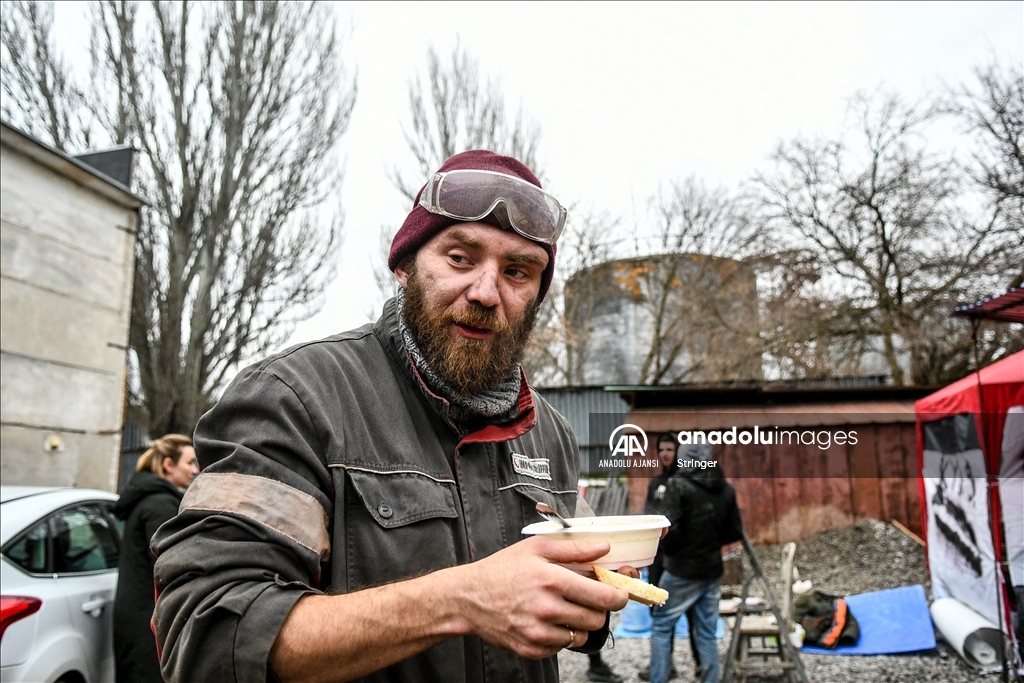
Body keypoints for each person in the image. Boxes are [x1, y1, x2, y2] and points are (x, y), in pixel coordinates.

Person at [150, 150, 633, 683]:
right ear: (404, 267)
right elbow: (208, 637)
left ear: (537, 296)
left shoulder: (550, 434)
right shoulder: (294, 399)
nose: (487, 292)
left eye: (518, 272)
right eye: (459, 258)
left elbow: (563, 605)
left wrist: (592, 596)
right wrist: (461, 601)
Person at [648, 444, 743, 683]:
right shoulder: (725, 488)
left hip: (681, 569)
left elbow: (668, 530)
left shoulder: (677, 485)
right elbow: (734, 531)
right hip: (711, 569)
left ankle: (658, 678)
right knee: (706, 633)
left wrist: (674, 553)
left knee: (661, 624)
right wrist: (708, 543)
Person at [112, 434, 198, 683]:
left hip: (137, 616)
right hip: (147, 622)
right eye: (189, 463)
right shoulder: (160, 505)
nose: (194, 470)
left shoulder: (149, 499)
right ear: (168, 465)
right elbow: (168, 567)